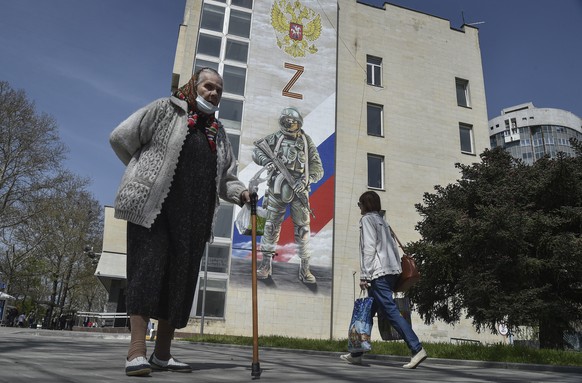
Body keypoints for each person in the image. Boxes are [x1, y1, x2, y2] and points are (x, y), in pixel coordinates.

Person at [110, 67, 250, 377]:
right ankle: (136, 351)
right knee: (146, 274)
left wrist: (241, 193)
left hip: (194, 218)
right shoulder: (165, 110)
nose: (213, 93)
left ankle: (162, 354)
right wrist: (140, 174)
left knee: (179, 283)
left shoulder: (218, 133)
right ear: (194, 86)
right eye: (208, 86)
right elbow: (121, 137)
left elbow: (225, 178)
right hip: (154, 211)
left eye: (218, 90)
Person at [340, 191, 427, 369]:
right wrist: (394, 272)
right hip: (391, 272)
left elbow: (369, 248)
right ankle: (356, 353)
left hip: (378, 273)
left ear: (366, 204)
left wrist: (365, 275)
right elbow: (393, 249)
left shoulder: (367, 220)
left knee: (390, 312)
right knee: (368, 311)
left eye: (360, 204)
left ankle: (416, 348)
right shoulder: (383, 222)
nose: (359, 207)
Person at [252, 107, 324, 283]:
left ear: (298, 123)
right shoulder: (276, 138)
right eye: (285, 122)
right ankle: (266, 265)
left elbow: (318, 167)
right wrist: (267, 161)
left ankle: (305, 269)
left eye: (291, 122)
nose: (287, 125)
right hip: (276, 189)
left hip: (300, 191)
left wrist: (307, 180)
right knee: (270, 226)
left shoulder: (307, 142)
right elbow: (257, 152)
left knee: (303, 230)